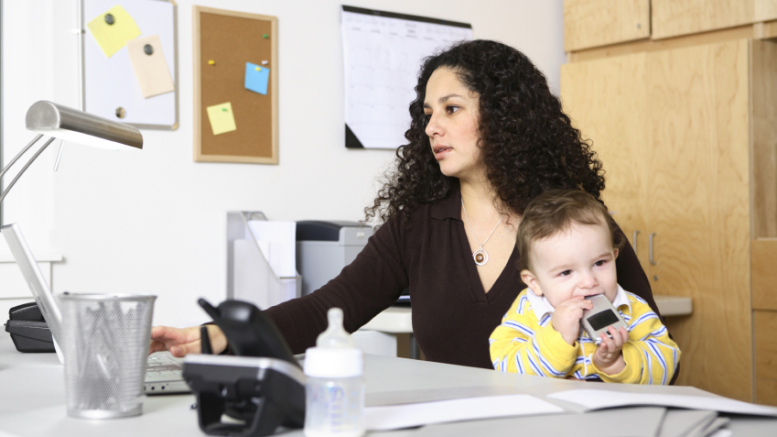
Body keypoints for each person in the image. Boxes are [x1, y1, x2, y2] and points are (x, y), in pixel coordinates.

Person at [150, 39, 667, 373]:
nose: (431, 127)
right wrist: (221, 335)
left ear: (508, 117)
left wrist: (615, 363)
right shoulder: (416, 228)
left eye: (452, 109)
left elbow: (657, 348)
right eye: (427, 113)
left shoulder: (574, 226)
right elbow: (326, 310)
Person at [489, 189, 680, 383]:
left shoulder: (632, 308)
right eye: (566, 272)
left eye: (599, 263)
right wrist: (558, 336)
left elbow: (666, 362)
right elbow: (507, 369)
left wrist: (615, 364)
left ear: (614, 257)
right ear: (535, 283)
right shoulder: (527, 311)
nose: (589, 282)